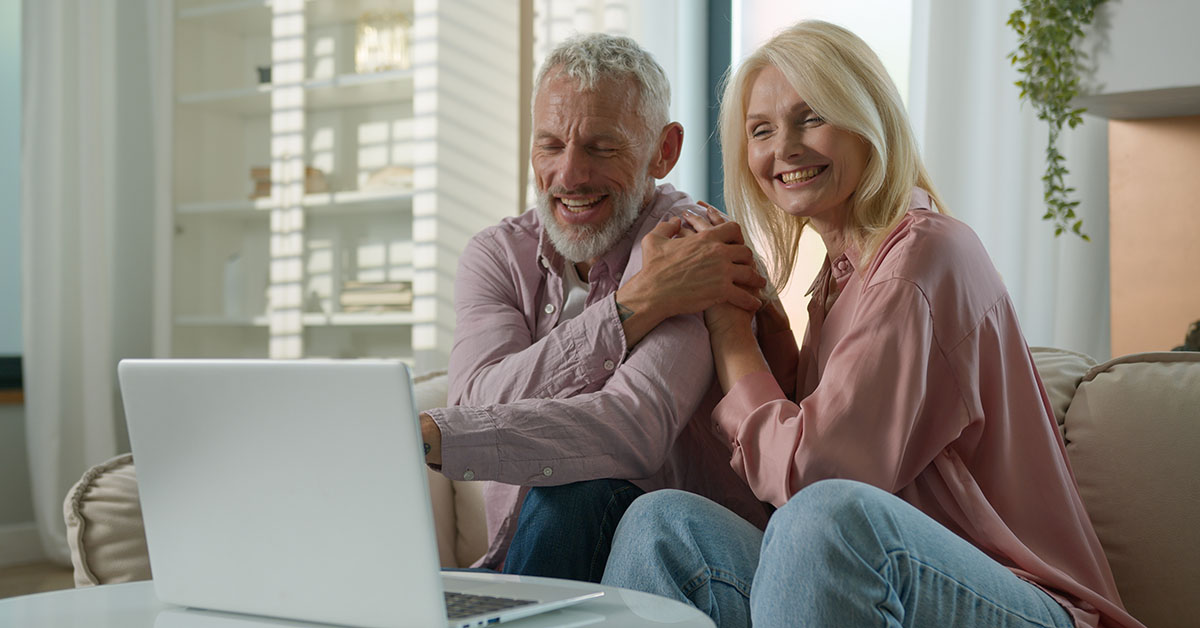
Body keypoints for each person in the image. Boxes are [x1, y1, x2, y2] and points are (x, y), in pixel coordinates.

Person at [601, 21, 1145, 628]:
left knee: (824, 518)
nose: (783, 148)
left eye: (811, 118)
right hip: (898, 587)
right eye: (761, 130)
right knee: (661, 526)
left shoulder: (921, 260)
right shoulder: (839, 280)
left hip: (1028, 604)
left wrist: (730, 332)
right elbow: (814, 446)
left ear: (867, 121)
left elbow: (814, 479)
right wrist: (759, 315)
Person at [418, 33, 774, 583]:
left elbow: (634, 429)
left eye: (602, 149)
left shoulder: (697, 246)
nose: (570, 175)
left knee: (578, 486)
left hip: (674, 568)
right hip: (518, 562)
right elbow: (470, 402)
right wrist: (638, 303)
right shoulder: (498, 254)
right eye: (550, 145)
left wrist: (451, 434)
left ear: (665, 150)